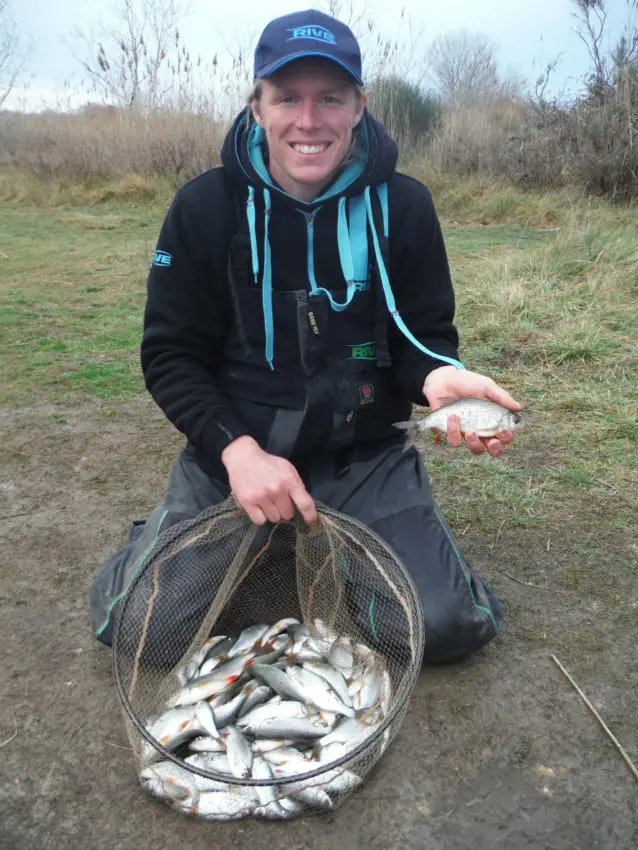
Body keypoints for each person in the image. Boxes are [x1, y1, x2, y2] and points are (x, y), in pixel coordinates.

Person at [89, 8, 523, 663]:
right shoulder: (204, 208)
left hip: (365, 457)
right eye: (287, 97)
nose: (309, 120)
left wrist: (439, 375)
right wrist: (236, 453)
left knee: (441, 629)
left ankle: (342, 542)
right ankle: (180, 535)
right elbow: (170, 356)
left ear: (359, 106)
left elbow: (423, 338)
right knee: (147, 632)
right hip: (235, 459)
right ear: (257, 107)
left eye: (330, 98)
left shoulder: (404, 207)